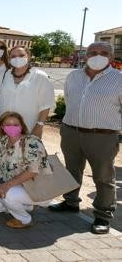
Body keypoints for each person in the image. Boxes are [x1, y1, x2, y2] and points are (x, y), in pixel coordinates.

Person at [49, 42, 122, 235]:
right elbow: (68, 99)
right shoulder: (73, 76)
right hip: (71, 131)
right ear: (86, 55)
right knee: (72, 170)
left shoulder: (119, 79)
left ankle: (103, 216)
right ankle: (71, 202)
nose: (98, 56)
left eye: (104, 53)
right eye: (93, 52)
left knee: (103, 177)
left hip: (103, 136)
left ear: (111, 57)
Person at [0, 111, 51, 229]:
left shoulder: (31, 142)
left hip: (37, 188)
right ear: (2, 127)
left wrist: (6, 185)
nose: (12, 128)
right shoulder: (2, 140)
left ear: (22, 126)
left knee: (6, 194)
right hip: (16, 186)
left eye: (16, 125)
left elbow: (33, 171)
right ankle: (26, 206)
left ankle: (24, 219)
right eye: (8, 125)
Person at [0, 46, 54, 138]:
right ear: (9, 59)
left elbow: (46, 104)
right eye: (13, 56)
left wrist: (39, 125)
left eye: (21, 55)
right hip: (3, 127)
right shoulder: (5, 74)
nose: (17, 58)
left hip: (28, 127)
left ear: (28, 56)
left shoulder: (40, 76)